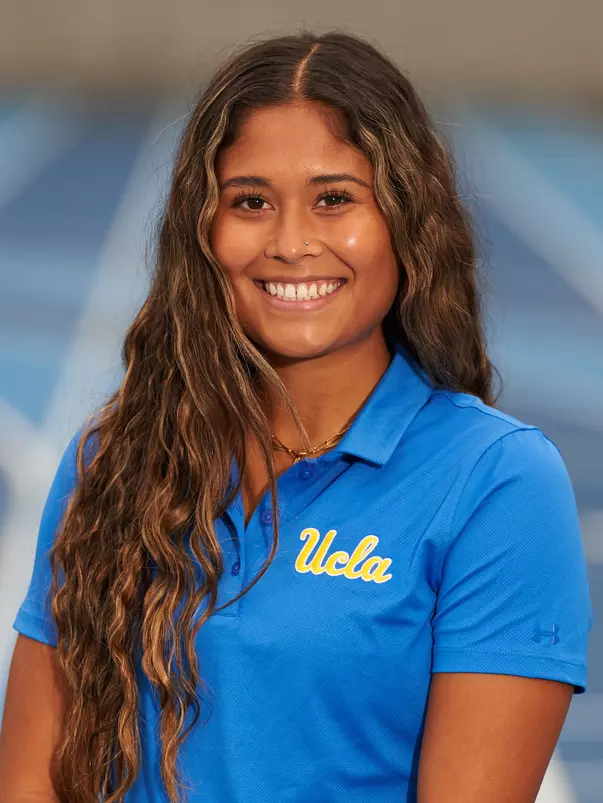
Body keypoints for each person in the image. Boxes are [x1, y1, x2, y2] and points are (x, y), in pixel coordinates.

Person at [0, 29, 592, 803]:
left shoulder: (496, 483)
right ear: (203, 231)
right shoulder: (113, 460)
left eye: (333, 199)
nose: (289, 242)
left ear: (405, 219)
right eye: (250, 201)